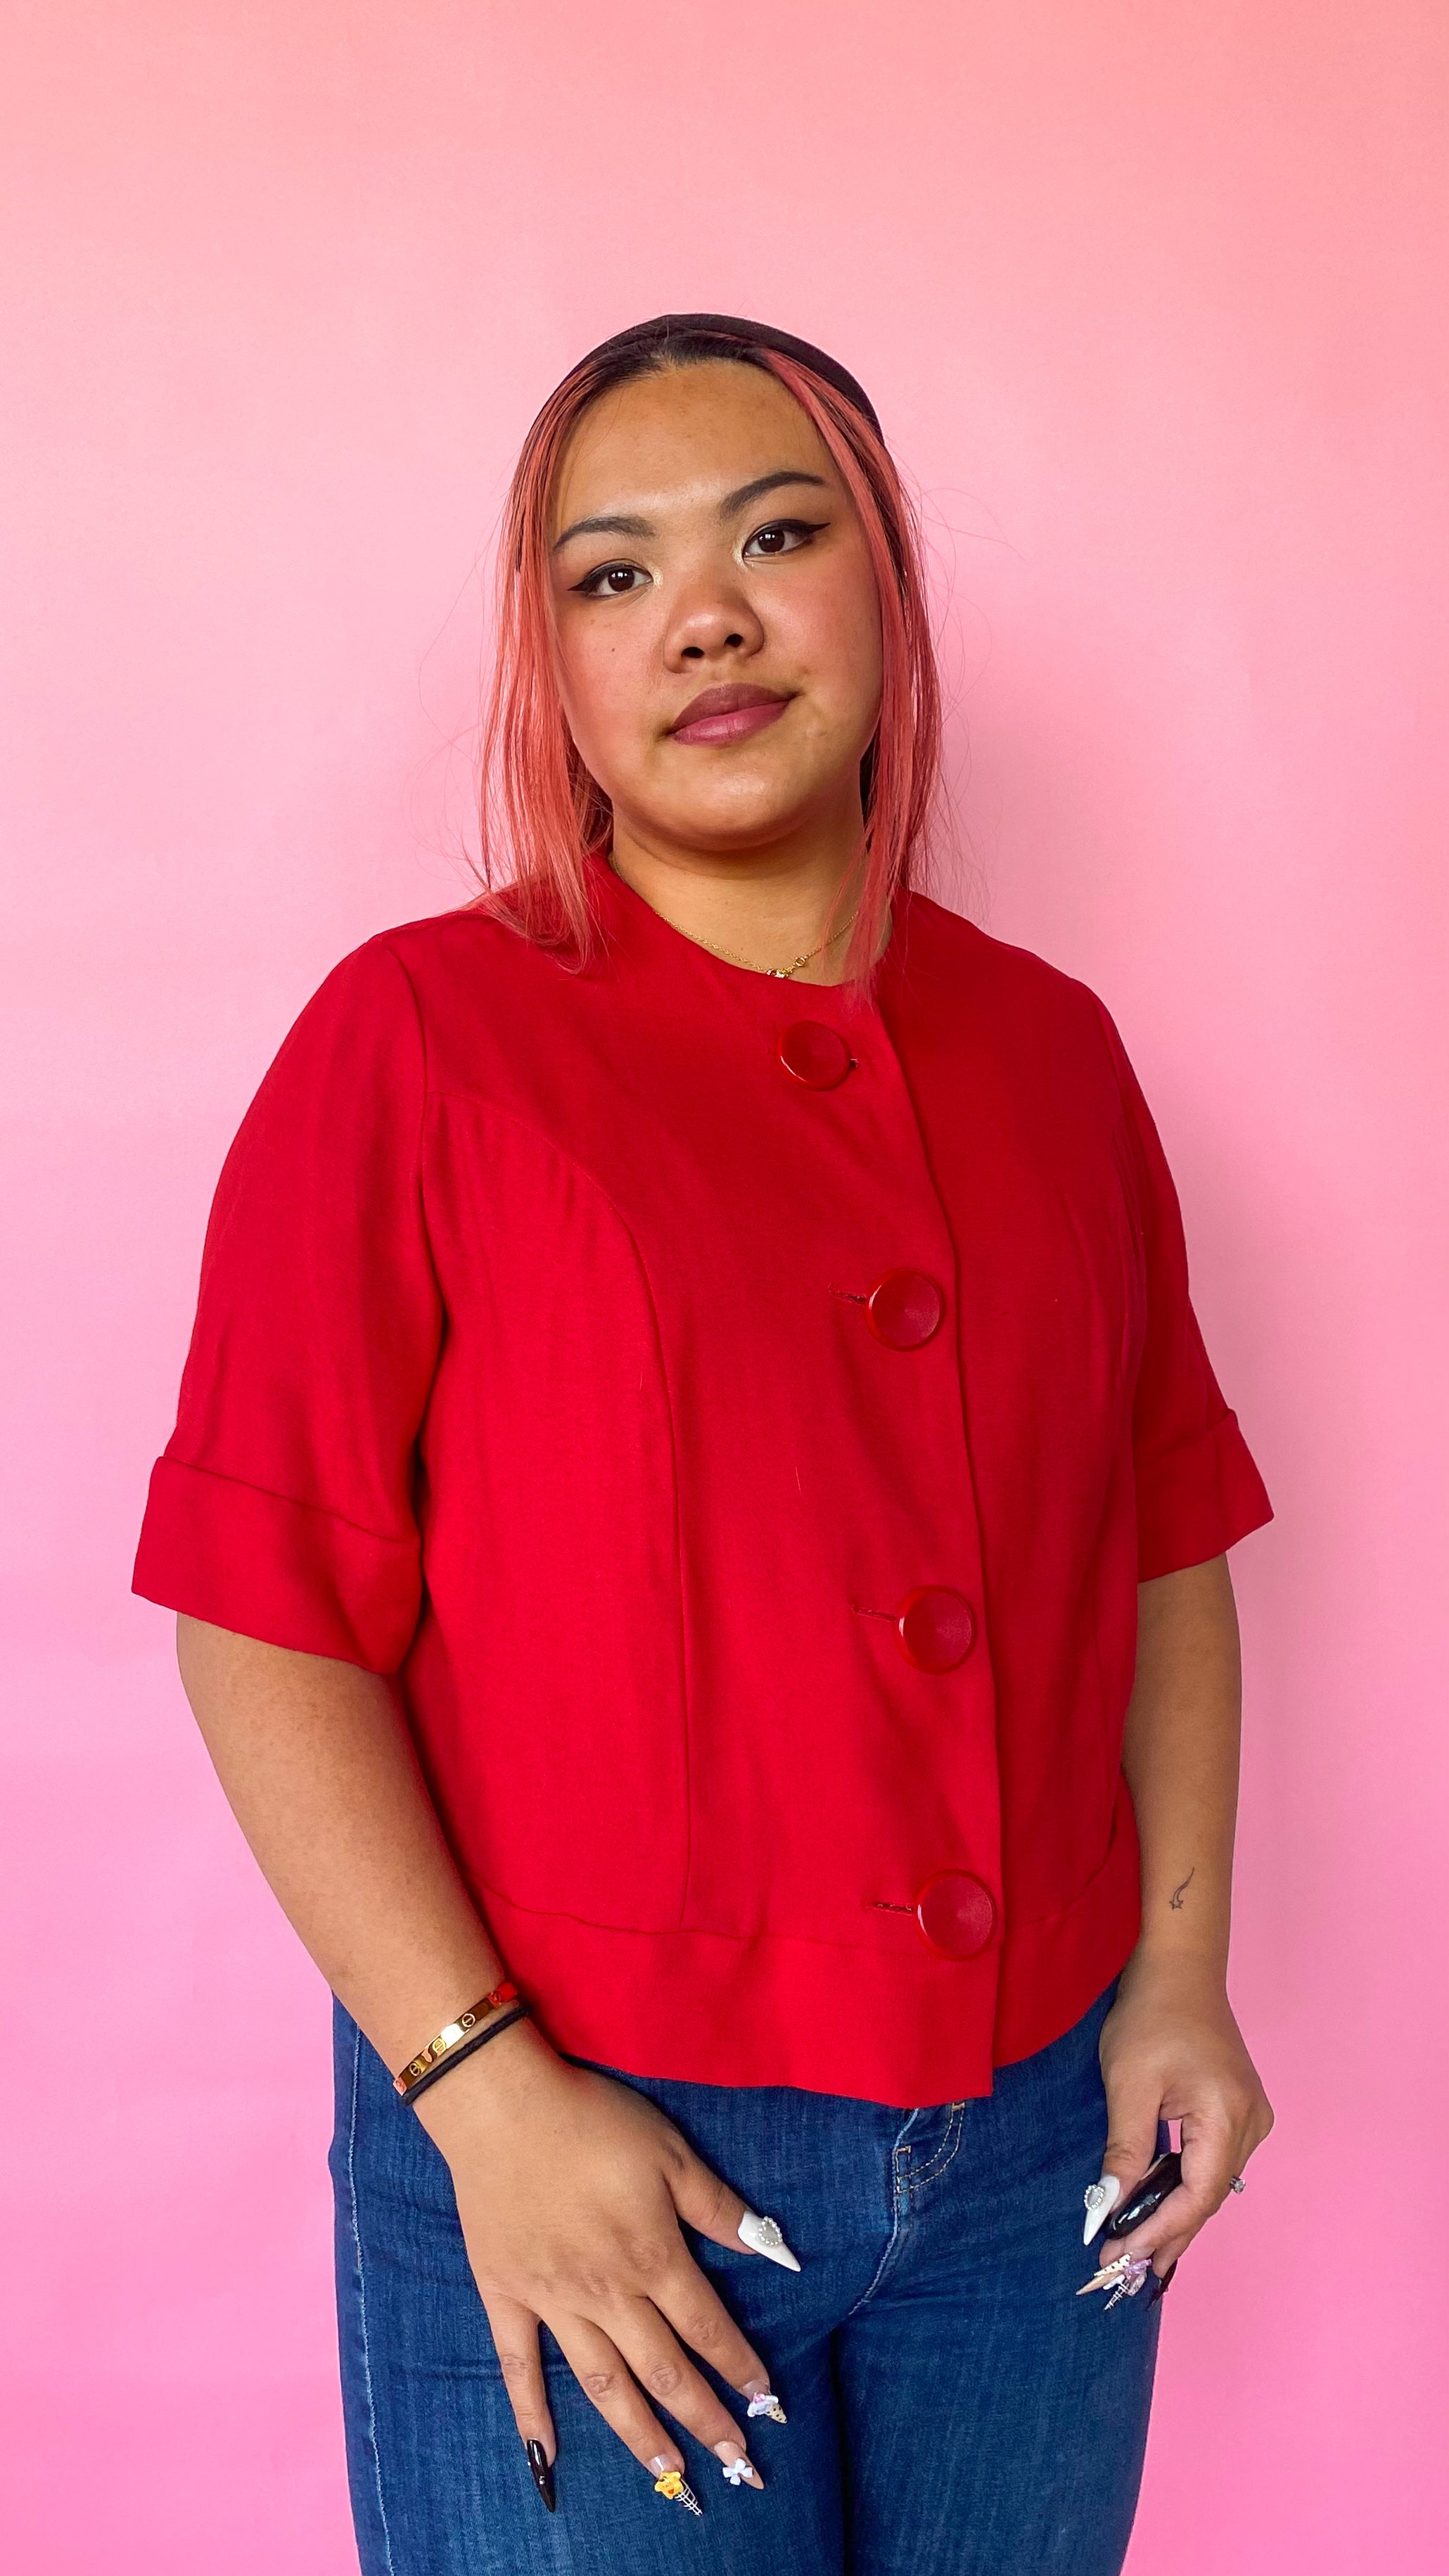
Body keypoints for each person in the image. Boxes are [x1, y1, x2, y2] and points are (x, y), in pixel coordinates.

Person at [133, 313, 1275, 2576]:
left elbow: (1159, 1546)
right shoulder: (419, 1043)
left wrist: (1173, 1978)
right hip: (586, 2149)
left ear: (885, 588)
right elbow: (261, 1619)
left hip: (1036, 2152)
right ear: (550, 664)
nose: (705, 619)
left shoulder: (1054, 1053)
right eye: (612, 573)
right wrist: (482, 2093)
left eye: (775, 536)